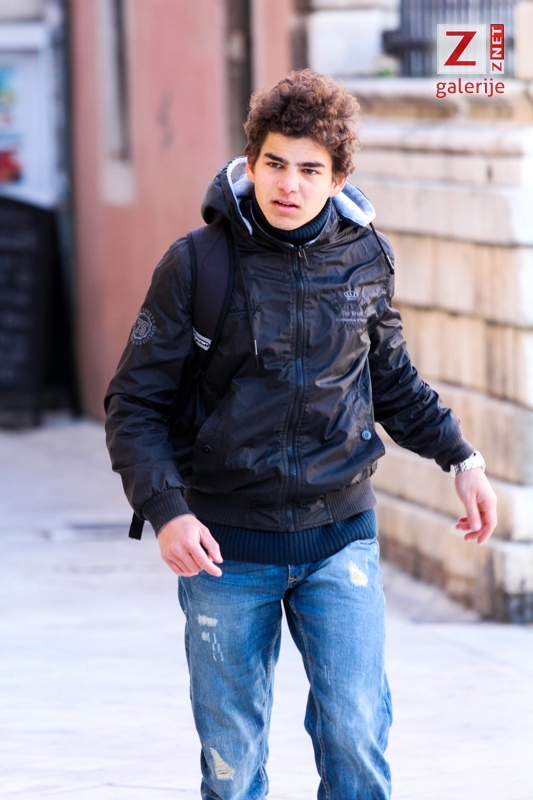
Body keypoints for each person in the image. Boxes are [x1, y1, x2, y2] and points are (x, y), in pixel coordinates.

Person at [105, 70, 497, 800]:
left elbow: (391, 382)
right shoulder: (196, 264)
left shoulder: (366, 257)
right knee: (231, 760)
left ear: (338, 177)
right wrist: (166, 510)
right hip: (224, 548)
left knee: (355, 736)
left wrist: (461, 457)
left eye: (310, 170)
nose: (289, 185)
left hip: (339, 535)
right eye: (275, 164)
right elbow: (134, 403)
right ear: (251, 162)